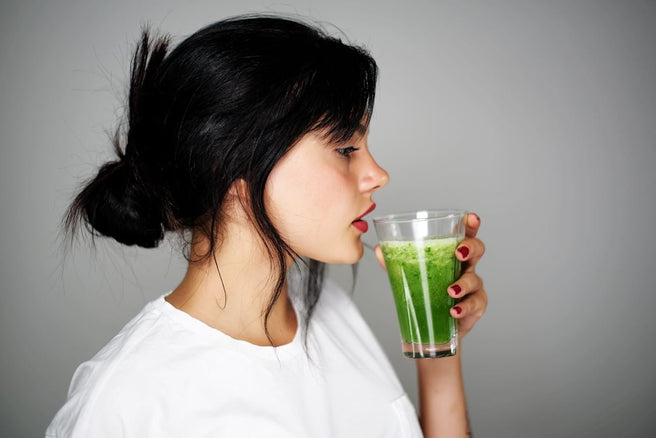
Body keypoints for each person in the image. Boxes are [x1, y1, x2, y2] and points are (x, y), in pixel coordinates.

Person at [47, 14, 487, 437]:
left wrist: (438, 341)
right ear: (231, 167)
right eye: (345, 147)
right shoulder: (125, 401)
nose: (379, 175)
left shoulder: (332, 312)